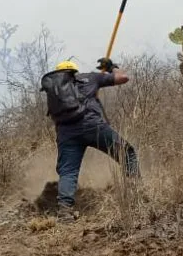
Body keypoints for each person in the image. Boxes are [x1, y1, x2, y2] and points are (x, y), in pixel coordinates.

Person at [43, 58, 140, 222]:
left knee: (68, 172)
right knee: (127, 152)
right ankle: (138, 192)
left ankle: (65, 212)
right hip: (93, 126)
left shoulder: (55, 91)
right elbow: (123, 78)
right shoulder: (89, 78)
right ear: (74, 71)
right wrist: (111, 67)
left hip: (67, 134)